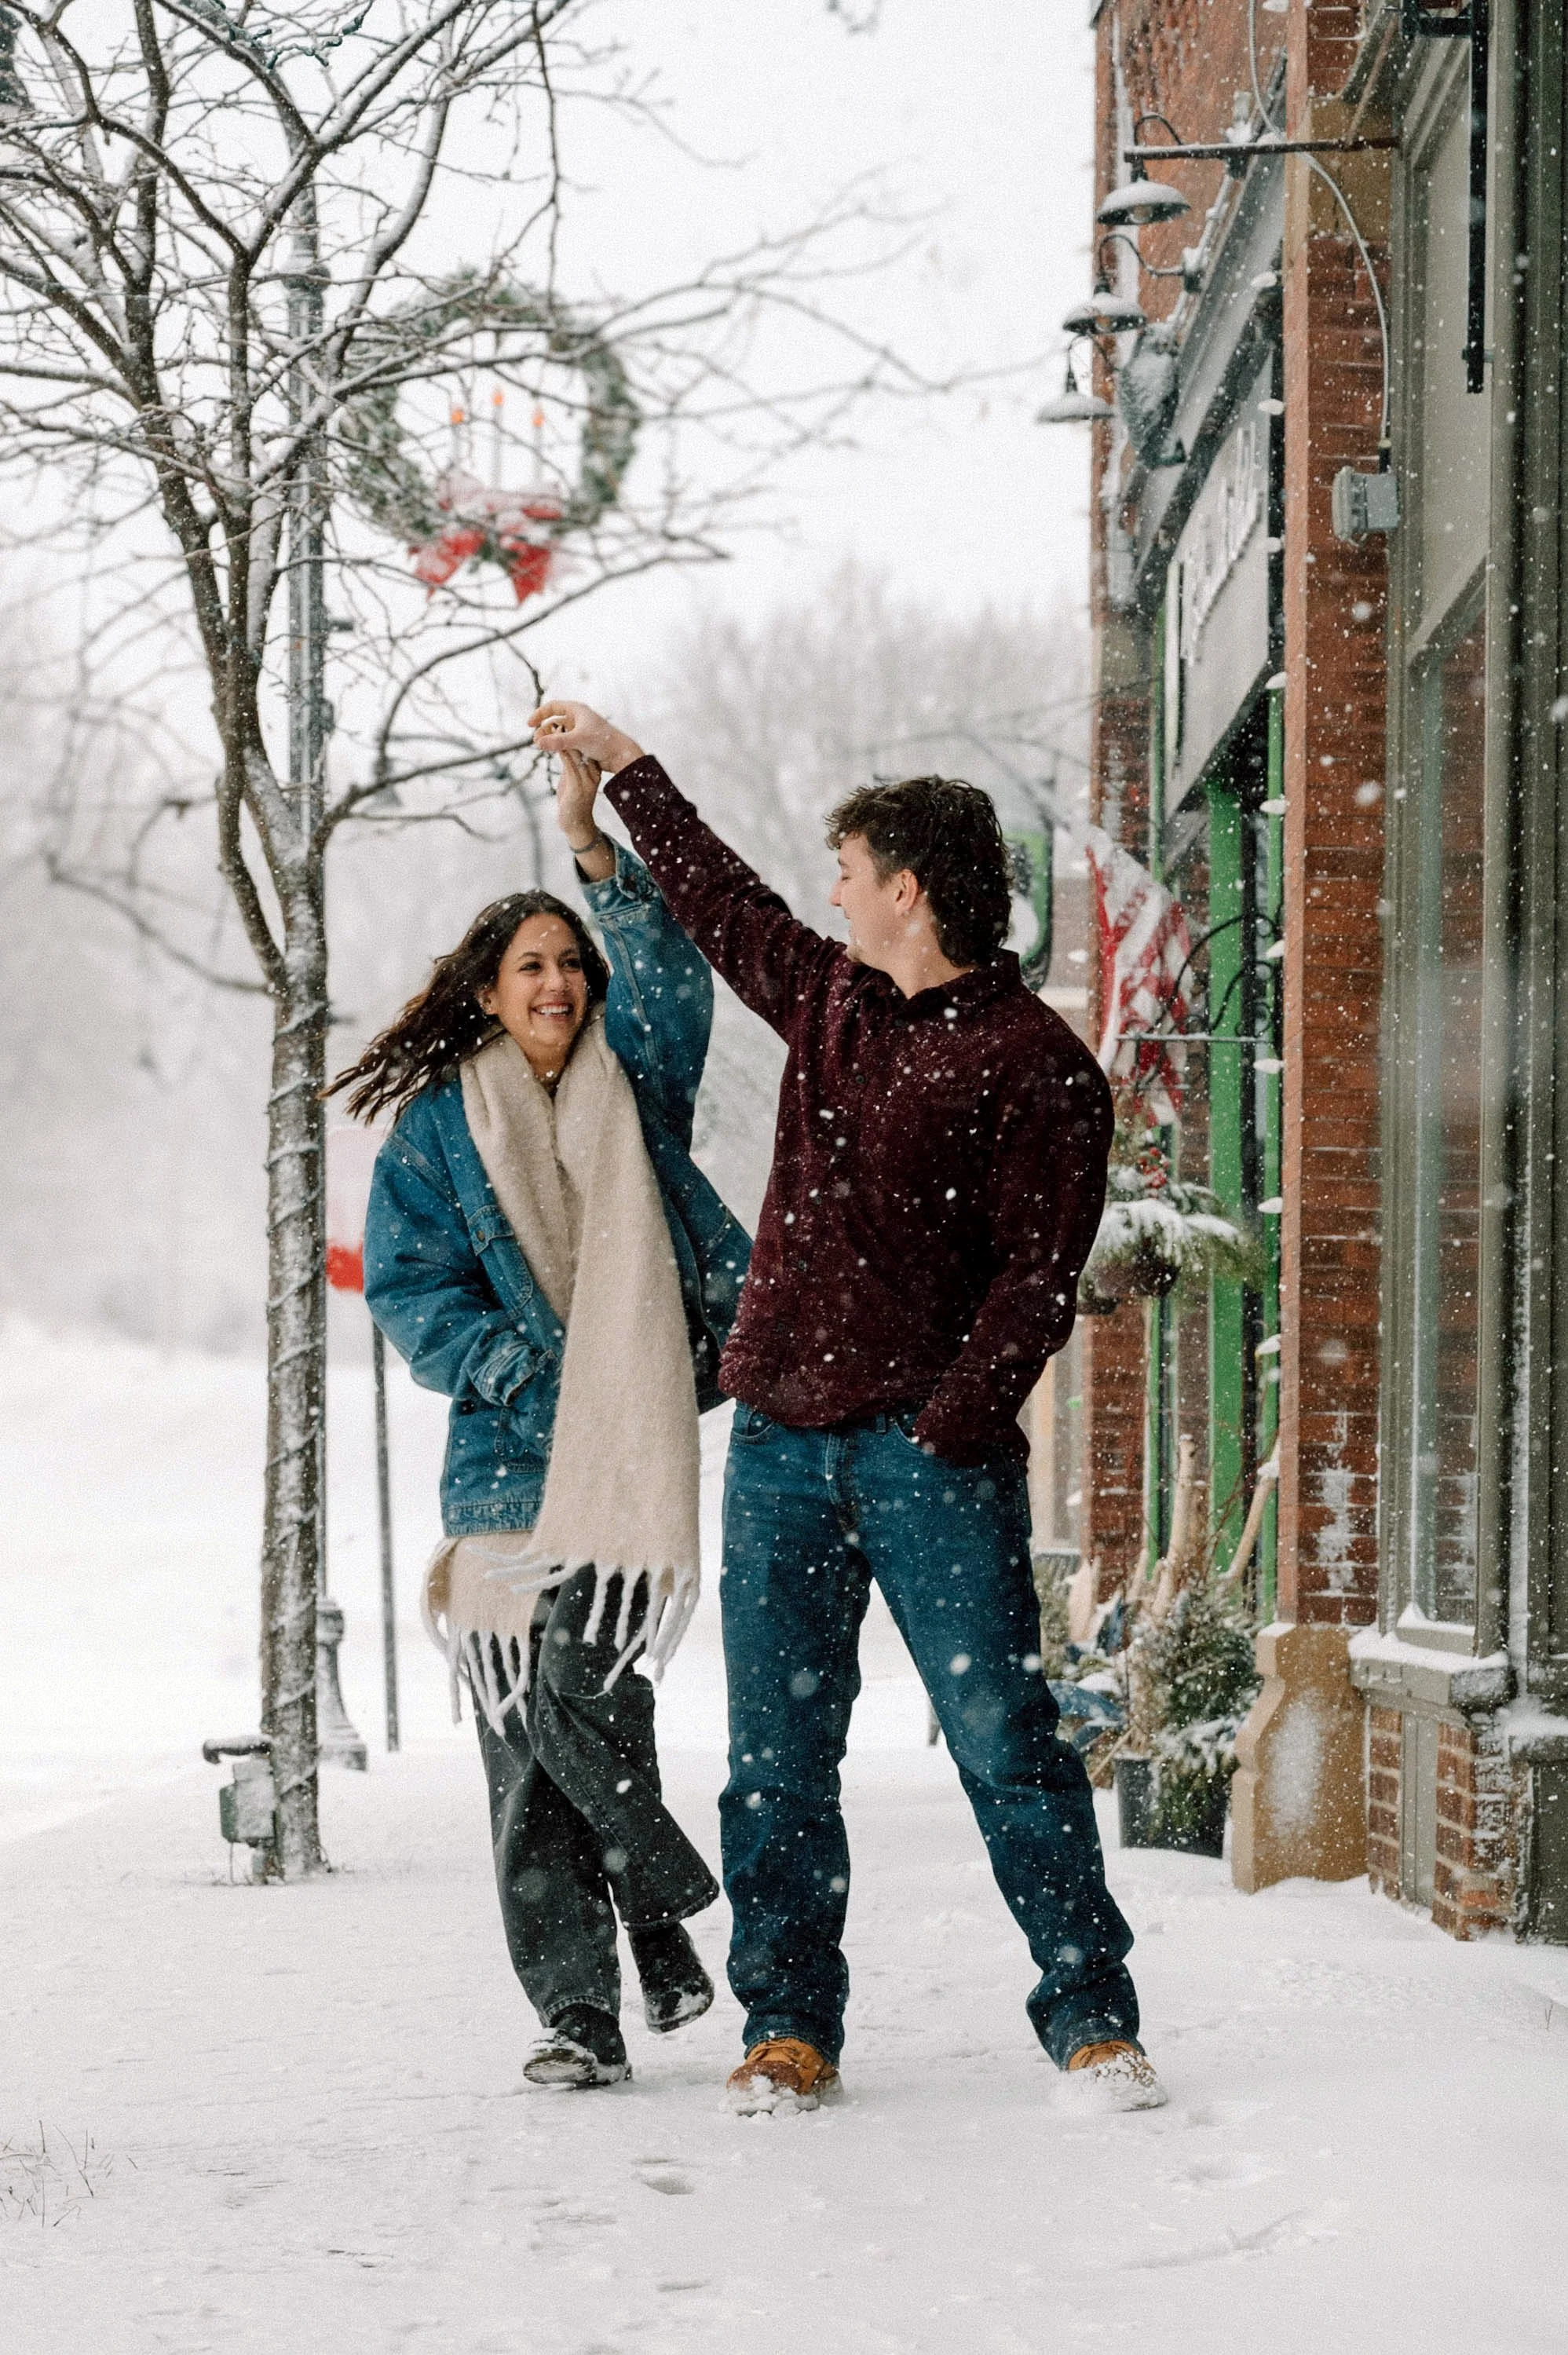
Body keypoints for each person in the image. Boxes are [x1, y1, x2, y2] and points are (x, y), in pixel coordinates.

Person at [528, 699, 1165, 2116]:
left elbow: (1034, 1279)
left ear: (911, 888)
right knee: (776, 1762)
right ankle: (789, 2026)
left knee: (1008, 1742)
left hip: (927, 1459)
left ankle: (1091, 2016)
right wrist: (632, 775)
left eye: (851, 868)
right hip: (779, 1446)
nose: (829, 891)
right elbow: (720, 898)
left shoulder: (1034, 1066)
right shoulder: (827, 999)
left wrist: (948, 1420)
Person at [330, 768, 749, 2090]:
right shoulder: (441, 1128)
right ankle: (591, 2002)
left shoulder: (641, 1085)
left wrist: (595, 854)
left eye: (570, 961)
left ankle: (650, 1929)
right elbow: (406, 1284)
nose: (557, 982)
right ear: (489, 991)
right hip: (507, 1461)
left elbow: (678, 982)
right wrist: (510, 1362)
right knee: (525, 1745)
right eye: (530, 966)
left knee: (593, 1705)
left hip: (628, 1453)